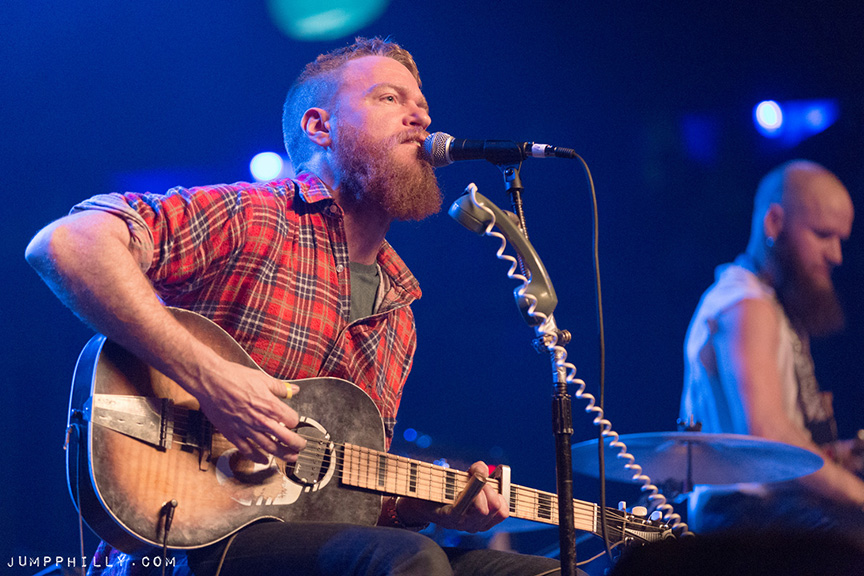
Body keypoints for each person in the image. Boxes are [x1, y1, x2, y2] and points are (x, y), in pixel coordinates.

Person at [26, 37, 562, 576]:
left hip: (301, 542)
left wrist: (421, 508)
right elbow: (65, 244)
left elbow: (335, 491)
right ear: (320, 127)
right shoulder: (253, 216)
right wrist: (211, 378)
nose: (420, 117)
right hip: (182, 541)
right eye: (389, 98)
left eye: (422, 105)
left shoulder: (399, 309)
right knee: (404, 559)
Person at [679, 160, 864, 542]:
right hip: (742, 516)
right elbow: (768, 435)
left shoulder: (772, 304)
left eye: (841, 239)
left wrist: (836, 457)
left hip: (774, 509)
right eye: (823, 235)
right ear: (775, 222)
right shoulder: (745, 303)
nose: (836, 255)